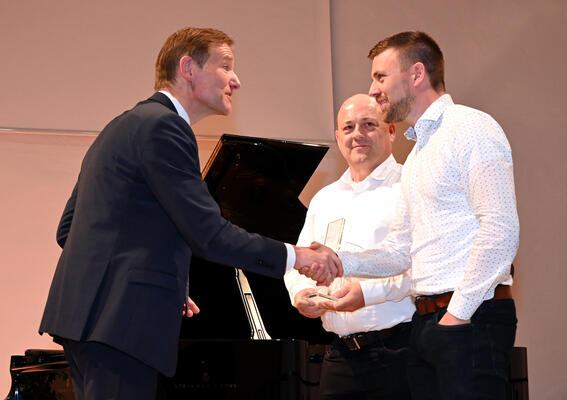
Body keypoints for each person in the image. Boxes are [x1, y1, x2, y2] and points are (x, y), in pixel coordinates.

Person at [39, 27, 340, 400]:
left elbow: (69, 229)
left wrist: (164, 274)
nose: (236, 80)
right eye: (226, 66)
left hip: (89, 322)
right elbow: (209, 234)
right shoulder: (165, 127)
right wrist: (298, 256)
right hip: (121, 324)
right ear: (188, 68)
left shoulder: (121, 126)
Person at [314, 31, 519, 399]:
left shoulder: (470, 128)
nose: (373, 89)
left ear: (417, 74)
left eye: (380, 76)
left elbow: (500, 230)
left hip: (467, 319)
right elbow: (399, 251)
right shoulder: (418, 156)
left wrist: (456, 315)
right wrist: (336, 260)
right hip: (425, 324)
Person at [284, 93, 414, 400]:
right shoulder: (324, 198)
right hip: (340, 354)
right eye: (348, 127)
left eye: (369, 124)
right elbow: (300, 262)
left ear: (391, 131)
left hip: (400, 351)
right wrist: (299, 294)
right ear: (337, 136)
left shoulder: (410, 186)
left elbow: (424, 268)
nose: (357, 134)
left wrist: (366, 295)